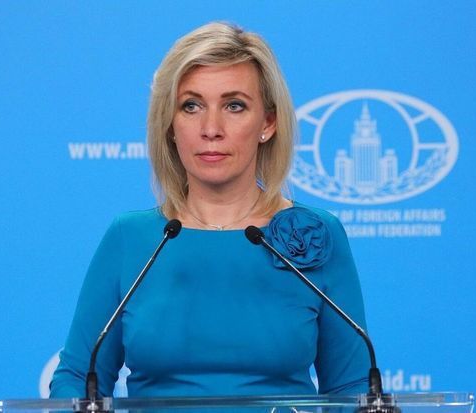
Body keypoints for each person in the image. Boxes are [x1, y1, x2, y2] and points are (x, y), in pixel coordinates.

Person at [50, 22, 369, 399]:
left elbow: (352, 388)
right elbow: (78, 378)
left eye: (234, 106)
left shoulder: (315, 234)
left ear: (268, 123)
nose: (211, 128)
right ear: (170, 124)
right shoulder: (130, 238)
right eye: (191, 106)